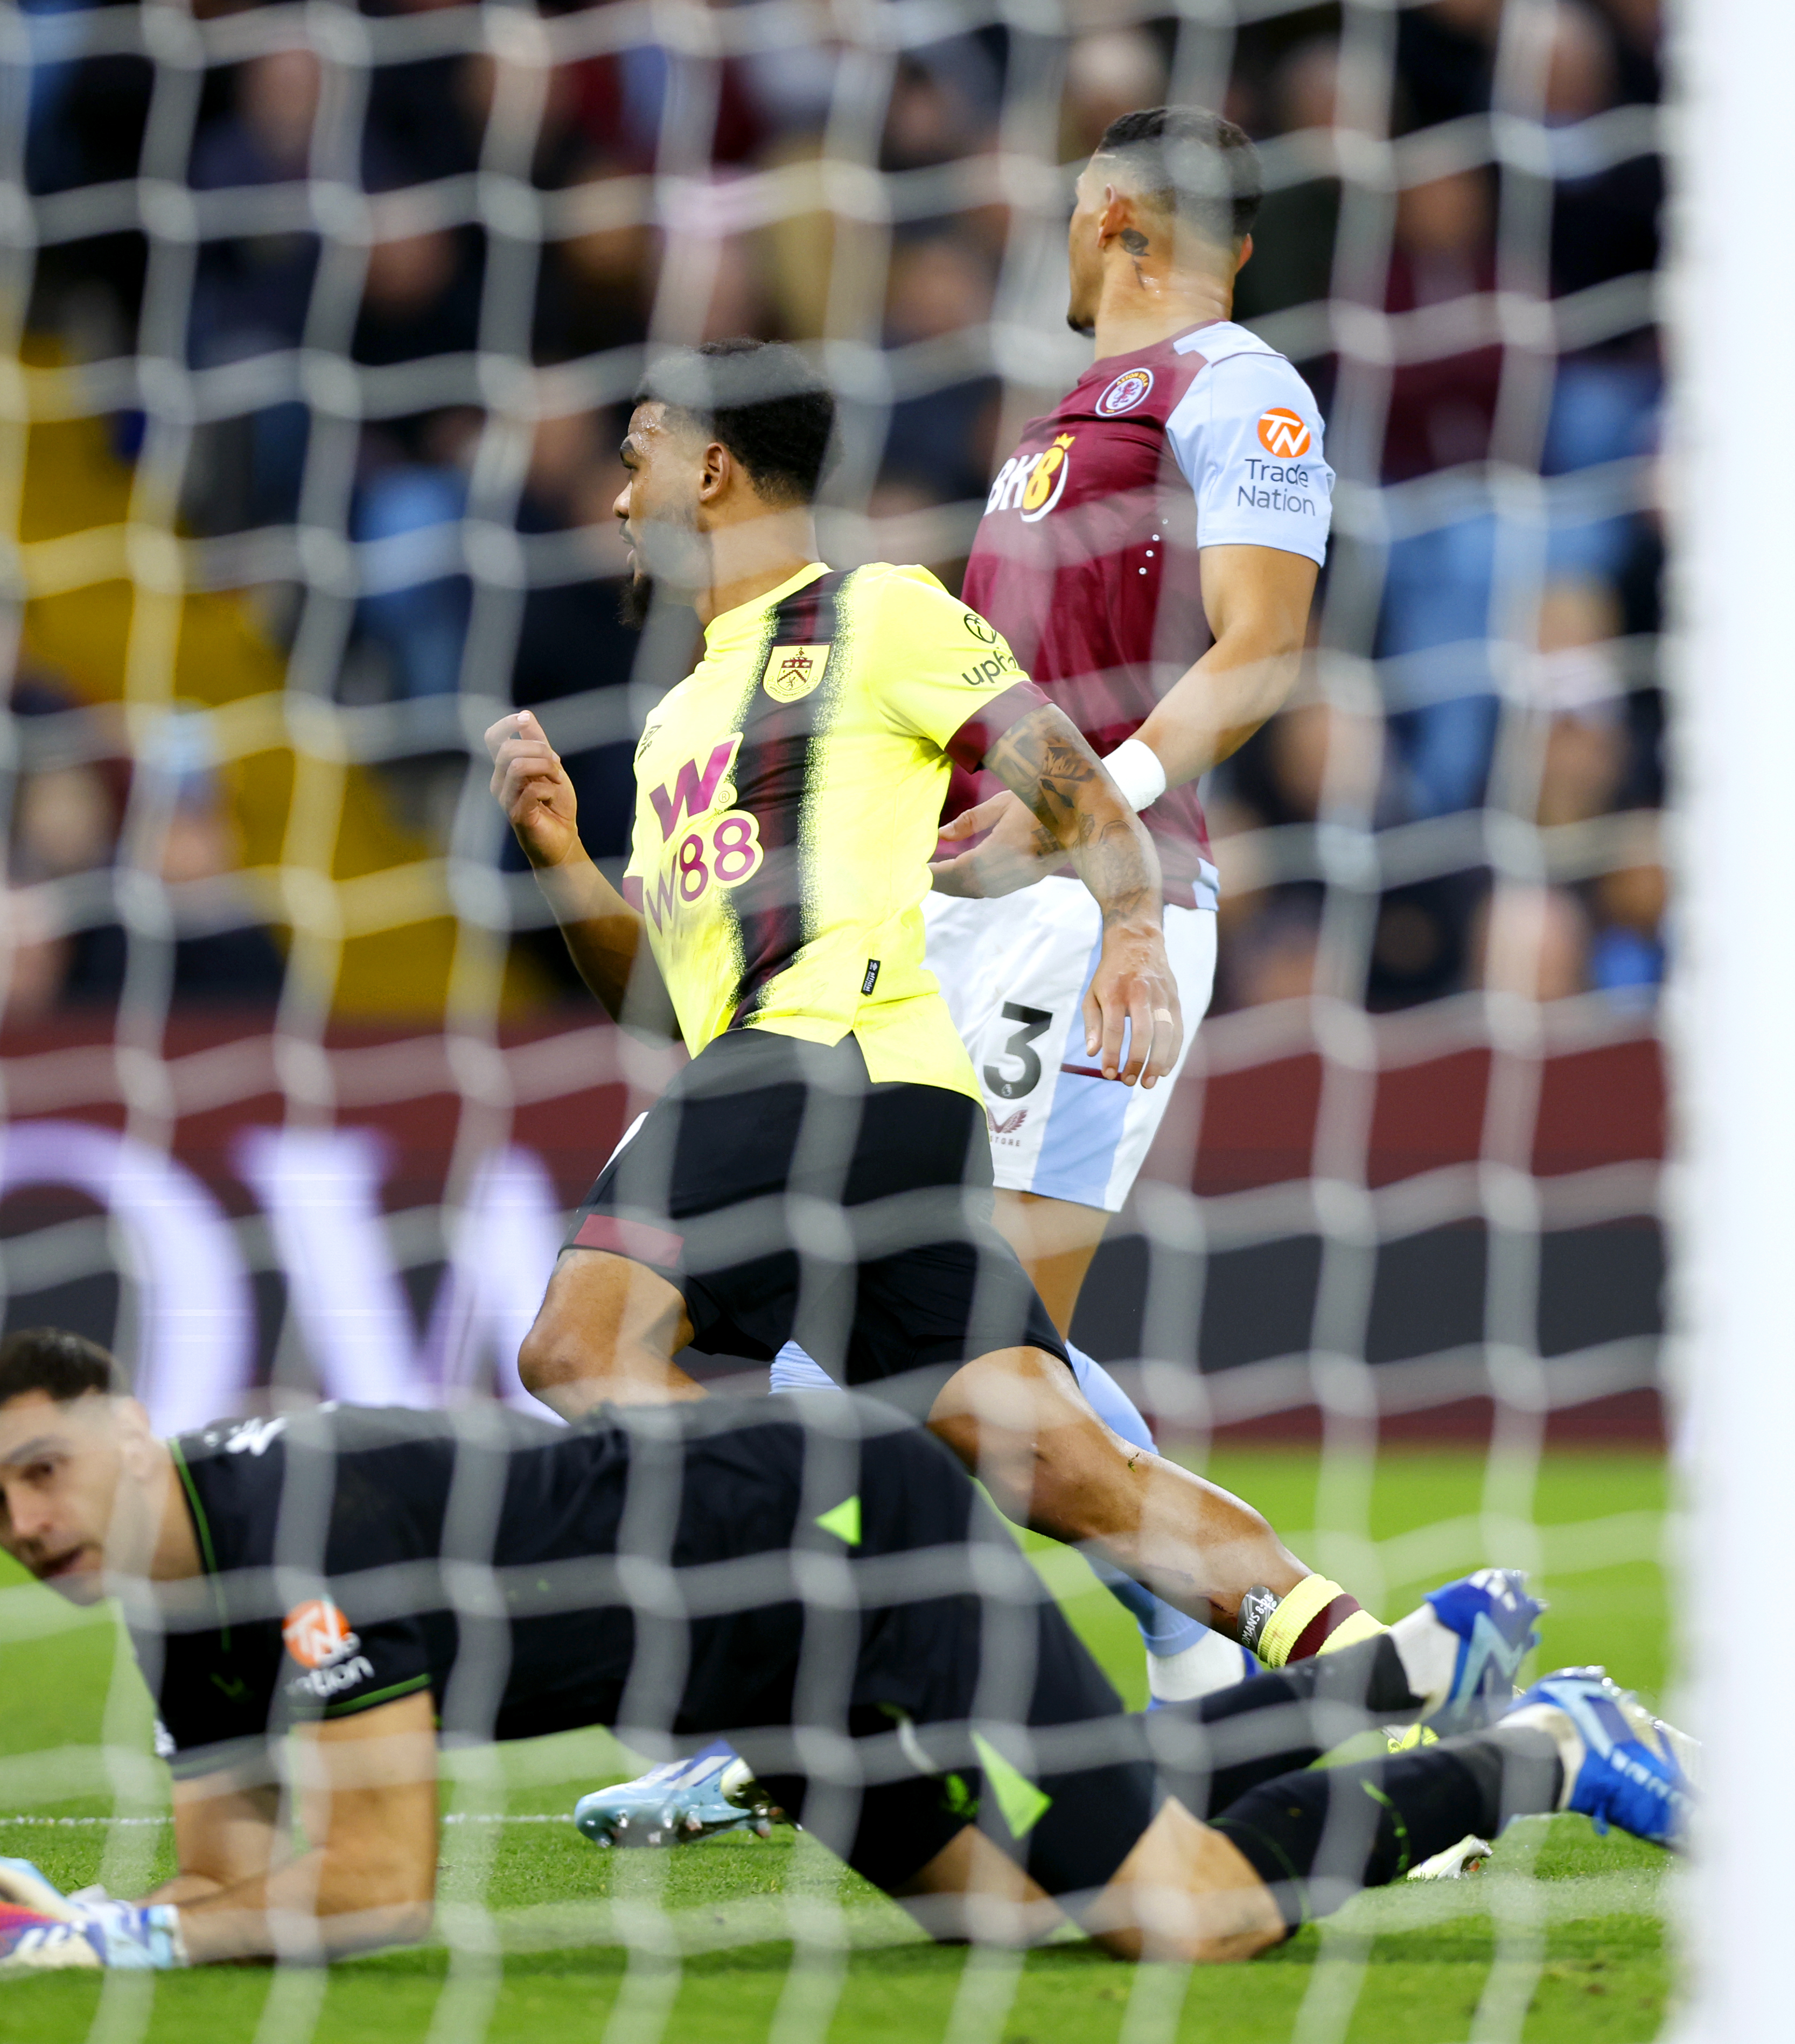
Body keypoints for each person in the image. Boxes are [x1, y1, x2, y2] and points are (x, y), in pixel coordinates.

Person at [486, 338, 1431, 1686]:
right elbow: (656, 1000)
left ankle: (841, 1588)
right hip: (866, 1117)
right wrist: (559, 854)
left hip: (833, 1057)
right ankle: (1395, 1672)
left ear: (711, 467)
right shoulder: (674, 724)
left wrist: (1129, 935)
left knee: (579, 1347)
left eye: (633, 465)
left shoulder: (876, 612)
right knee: (1061, 1462)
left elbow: (1076, 785)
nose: (619, 500)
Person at [0, 1331, 1690, 1969]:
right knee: (1009, 1910)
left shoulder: (303, 1530)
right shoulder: (183, 1613)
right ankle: (1384, 1673)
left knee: (1176, 1915)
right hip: (741, 1671)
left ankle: (1542, 1743)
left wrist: (101, 1927)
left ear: (123, 1430)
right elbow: (218, 1876)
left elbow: (372, 1881)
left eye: (40, 1471)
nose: (25, 1523)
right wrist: (81, 1915)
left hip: (836, 1530)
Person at [762, 104, 1341, 1708]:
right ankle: (1204, 1643)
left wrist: (1103, 820)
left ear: (1110, 219)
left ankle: (840, 1697)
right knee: (932, 1322)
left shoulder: (1241, 391)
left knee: (974, 1329)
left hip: (1090, 908)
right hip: (978, 905)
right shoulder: (1077, 414)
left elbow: (1265, 644)